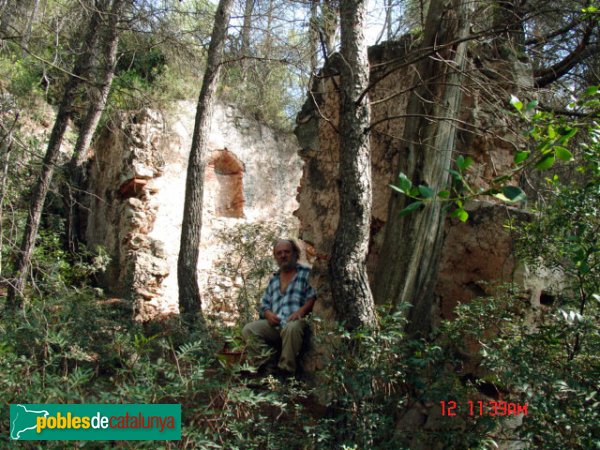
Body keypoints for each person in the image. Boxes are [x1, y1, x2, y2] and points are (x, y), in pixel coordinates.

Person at [242, 239, 317, 376]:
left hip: (296, 323)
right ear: (276, 257)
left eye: (287, 252)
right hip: (276, 325)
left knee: (292, 327)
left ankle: (285, 371)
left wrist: (301, 311)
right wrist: (268, 314)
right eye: (279, 253)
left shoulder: (306, 273)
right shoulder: (274, 279)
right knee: (249, 329)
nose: (283, 255)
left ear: (295, 253)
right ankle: (265, 366)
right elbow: (264, 304)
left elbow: (313, 297)